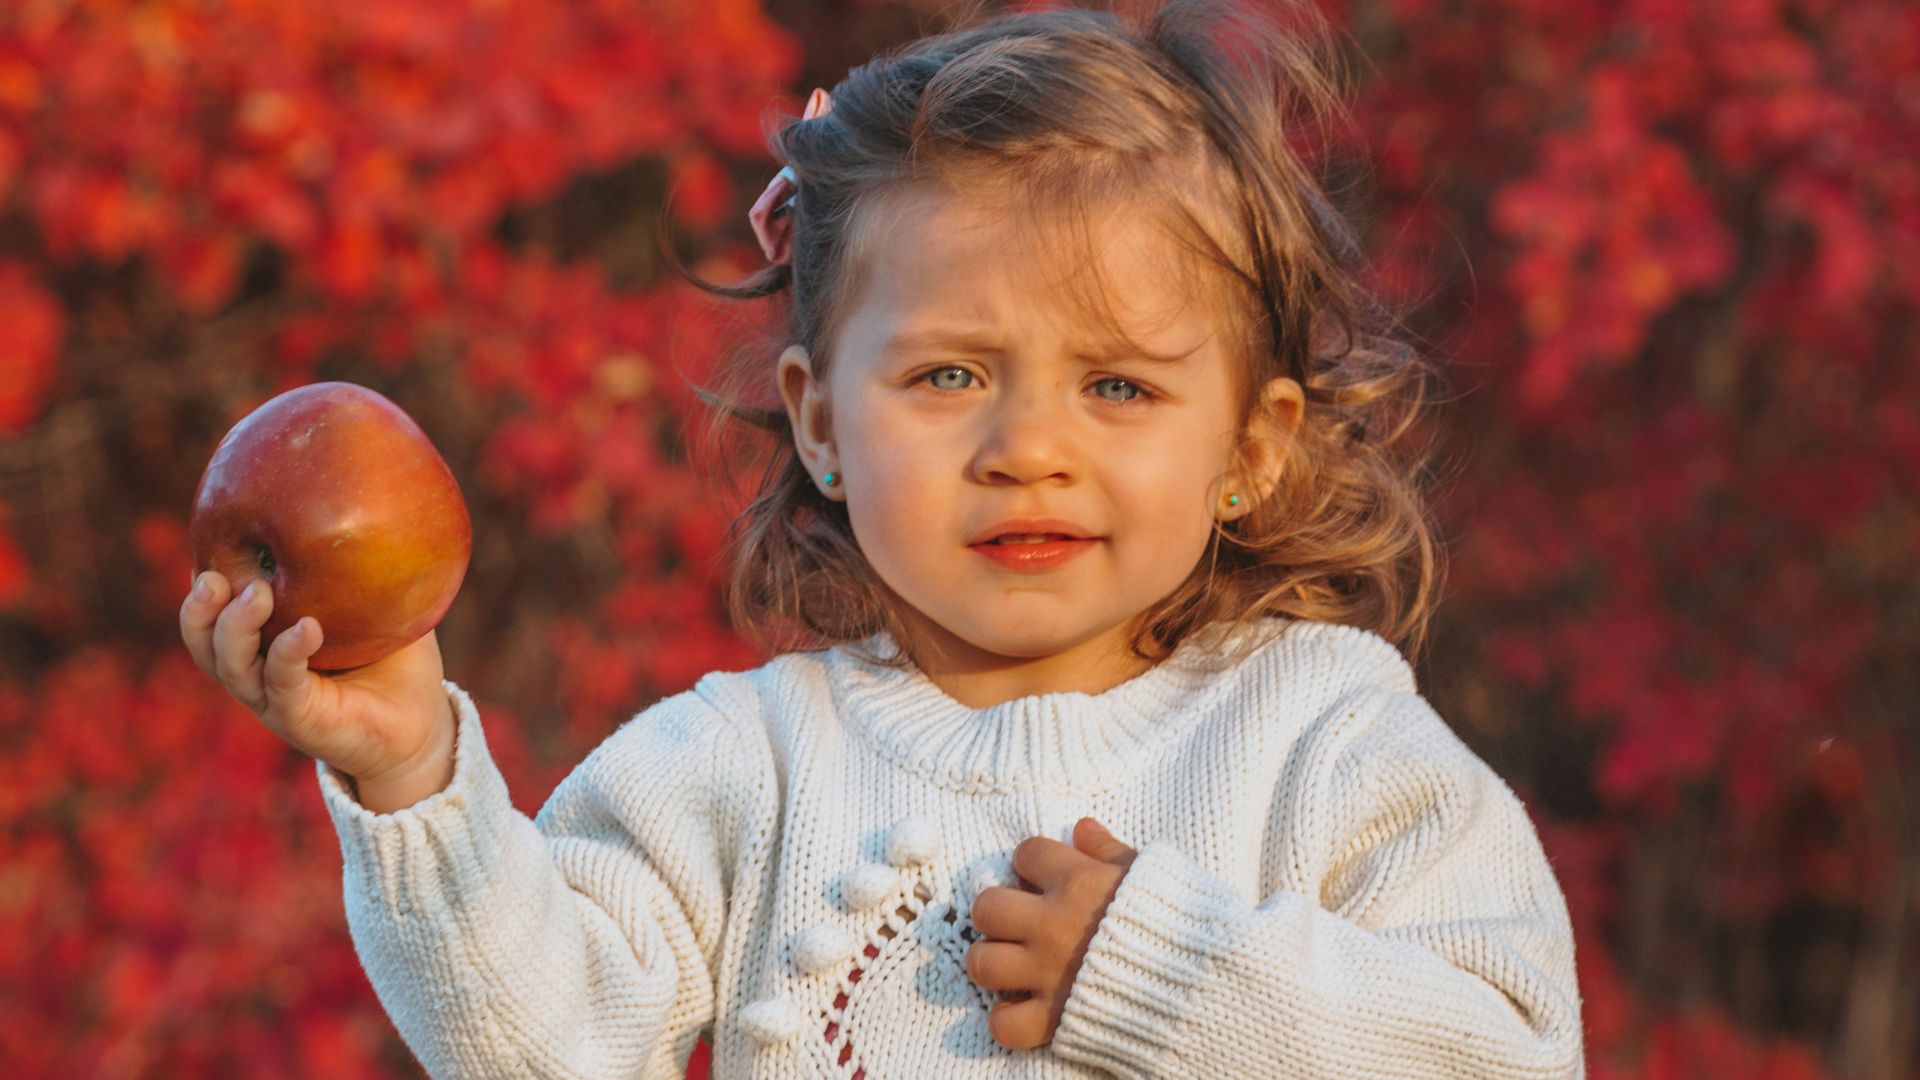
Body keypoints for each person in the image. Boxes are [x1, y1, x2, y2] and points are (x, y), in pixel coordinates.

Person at [179, 0, 1585, 1075]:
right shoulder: (737, 769)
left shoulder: (1326, 746)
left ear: (1249, 447)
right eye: (947, 377)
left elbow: (1515, 1052)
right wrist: (413, 778)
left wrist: (1172, 974)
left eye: (1118, 386)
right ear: (820, 422)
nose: (1028, 446)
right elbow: (545, 1042)